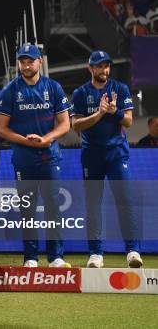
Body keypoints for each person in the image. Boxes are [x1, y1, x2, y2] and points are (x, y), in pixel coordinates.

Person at [0, 44, 71, 268]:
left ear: (40, 62)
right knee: (27, 208)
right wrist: (24, 140)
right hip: (23, 157)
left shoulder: (54, 87)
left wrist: (48, 138)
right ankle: (30, 257)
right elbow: (1, 129)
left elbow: (65, 123)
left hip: (49, 155)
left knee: (52, 206)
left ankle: (56, 257)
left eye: (30, 61)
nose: (26, 65)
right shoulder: (10, 90)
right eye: (22, 61)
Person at [71, 50, 142, 268]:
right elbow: (76, 126)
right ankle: (96, 254)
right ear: (90, 68)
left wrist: (115, 112)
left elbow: (129, 122)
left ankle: (132, 251)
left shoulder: (119, 89)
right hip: (91, 154)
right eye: (99, 66)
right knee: (93, 204)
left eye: (106, 66)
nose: (104, 70)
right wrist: (100, 113)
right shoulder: (80, 93)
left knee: (125, 201)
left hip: (116, 153)